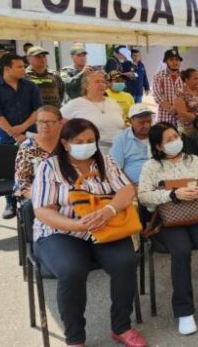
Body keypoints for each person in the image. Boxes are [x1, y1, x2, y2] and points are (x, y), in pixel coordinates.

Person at [31, 118, 147, 347]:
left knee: (126, 262)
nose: (86, 145)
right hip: (62, 232)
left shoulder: (105, 161)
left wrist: (109, 209)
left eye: (90, 140)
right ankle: (75, 338)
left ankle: (121, 327)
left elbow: (127, 189)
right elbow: (42, 211)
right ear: (65, 143)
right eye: (79, 141)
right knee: (72, 270)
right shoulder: (50, 167)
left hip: (106, 226)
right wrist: (78, 226)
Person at [137, 122, 198, 336]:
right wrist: (172, 194)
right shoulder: (151, 166)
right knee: (180, 252)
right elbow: (143, 196)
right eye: (168, 140)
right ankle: (184, 310)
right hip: (170, 219)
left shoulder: (193, 160)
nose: (174, 142)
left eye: (175, 136)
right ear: (158, 147)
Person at [0, 53, 42, 219]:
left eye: (23, 66)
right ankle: (10, 202)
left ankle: (33, 201)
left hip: (31, 135)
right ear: (7, 68)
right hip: (7, 139)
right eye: (19, 66)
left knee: (33, 169)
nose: (24, 69)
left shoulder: (31, 87)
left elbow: (37, 110)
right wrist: (16, 135)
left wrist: (23, 128)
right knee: (10, 171)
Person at [61, 70, 125, 148]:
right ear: (86, 85)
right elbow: (59, 122)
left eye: (103, 82)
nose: (101, 84)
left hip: (120, 148)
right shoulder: (75, 104)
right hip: (92, 150)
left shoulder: (113, 102)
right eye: (97, 82)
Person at [13, 106, 62, 204]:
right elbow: (22, 183)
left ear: (60, 123)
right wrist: (40, 198)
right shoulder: (27, 147)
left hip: (65, 193)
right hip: (37, 195)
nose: (45, 126)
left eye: (50, 122)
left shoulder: (67, 144)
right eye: (41, 122)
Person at [110, 104, 155, 184]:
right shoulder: (121, 139)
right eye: (141, 122)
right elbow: (116, 168)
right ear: (131, 121)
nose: (147, 125)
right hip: (133, 185)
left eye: (149, 121)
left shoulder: (158, 134)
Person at [152, 48, 184, 125]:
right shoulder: (158, 76)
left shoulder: (185, 76)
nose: (175, 62)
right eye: (171, 60)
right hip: (164, 118)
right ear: (166, 61)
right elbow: (158, 96)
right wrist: (174, 111)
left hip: (183, 119)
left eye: (177, 60)